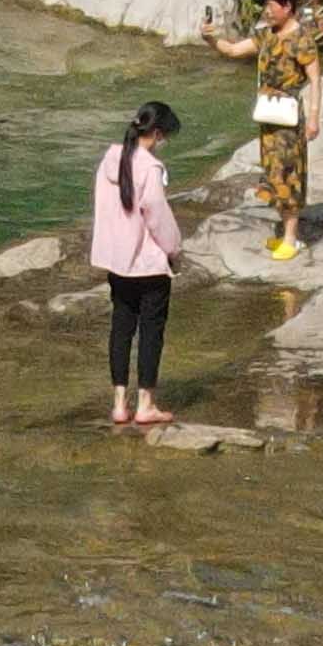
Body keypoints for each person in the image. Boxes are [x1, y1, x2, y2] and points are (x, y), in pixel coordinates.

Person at [93, 97, 183, 431]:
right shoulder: (150, 168)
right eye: (166, 137)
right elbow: (157, 217)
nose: (165, 144)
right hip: (147, 262)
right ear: (157, 133)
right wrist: (174, 250)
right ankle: (145, 404)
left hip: (117, 261)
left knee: (121, 327)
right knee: (151, 332)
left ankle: (119, 403)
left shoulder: (110, 159)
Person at [235, 0, 323, 260]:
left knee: (289, 172)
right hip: (269, 117)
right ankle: (286, 235)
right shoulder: (268, 35)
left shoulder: (301, 39)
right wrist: (211, 38)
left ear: (287, 7)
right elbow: (233, 50)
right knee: (273, 171)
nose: (267, 10)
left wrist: (313, 117)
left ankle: (291, 237)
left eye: (272, 6)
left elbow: (314, 79)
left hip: (288, 117)